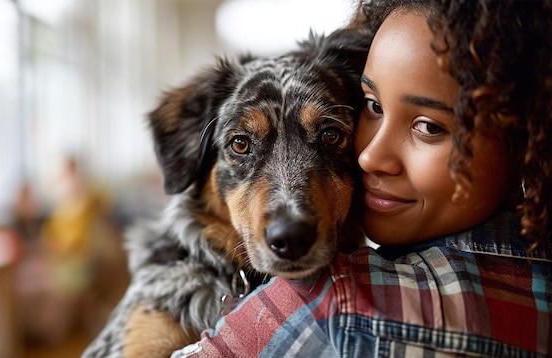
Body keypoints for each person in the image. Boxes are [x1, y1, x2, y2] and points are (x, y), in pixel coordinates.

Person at [171, 0, 551, 356]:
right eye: (372, 106)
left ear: (528, 140)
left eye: (430, 126)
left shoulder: (332, 302)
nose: (369, 156)